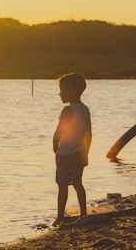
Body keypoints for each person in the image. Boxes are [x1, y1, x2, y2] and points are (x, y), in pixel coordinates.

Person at [51, 72, 92, 226]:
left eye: (62, 90)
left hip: (65, 154)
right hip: (79, 153)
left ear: (72, 91)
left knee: (62, 186)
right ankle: (83, 213)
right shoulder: (85, 109)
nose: (60, 93)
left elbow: (58, 133)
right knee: (77, 183)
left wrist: (56, 149)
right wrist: (86, 152)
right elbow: (89, 133)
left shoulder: (68, 111)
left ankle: (60, 216)